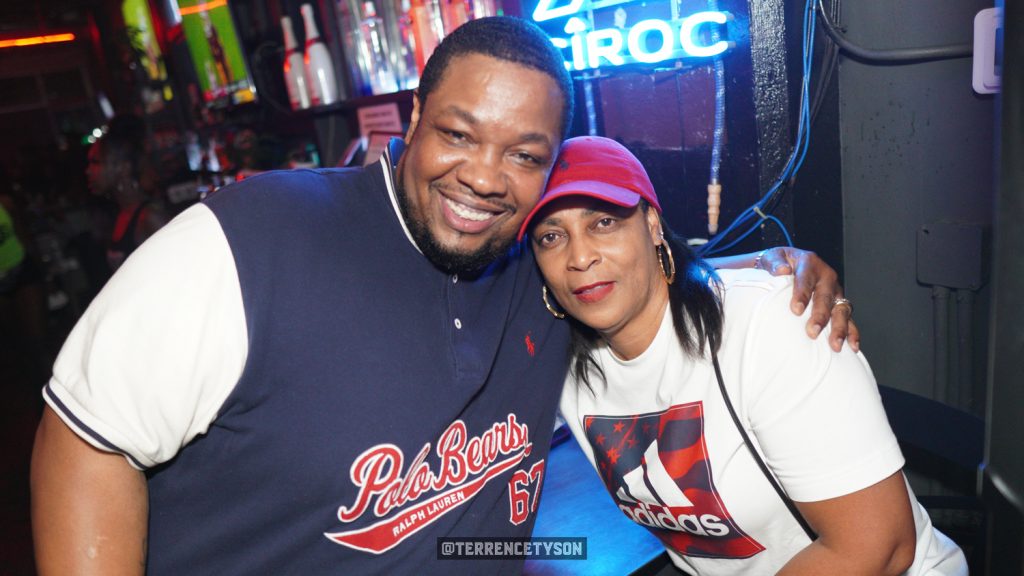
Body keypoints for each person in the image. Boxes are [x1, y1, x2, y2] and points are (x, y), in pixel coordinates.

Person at [31, 17, 853, 574]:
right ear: (414, 116)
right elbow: (88, 443)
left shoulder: (540, 271)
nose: (485, 178)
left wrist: (767, 268)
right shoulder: (256, 237)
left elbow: (636, 272)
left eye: (524, 155)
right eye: (459, 134)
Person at [522, 136, 968, 575]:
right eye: (551, 237)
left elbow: (880, 547)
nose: (580, 257)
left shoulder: (768, 324)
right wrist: (755, 258)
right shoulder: (554, 353)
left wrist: (764, 274)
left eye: (604, 223)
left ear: (653, 224)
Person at [86, 114, 169, 272]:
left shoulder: (149, 217)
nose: (89, 171)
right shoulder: (121, 214)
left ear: (123, 168)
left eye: (96, 163)